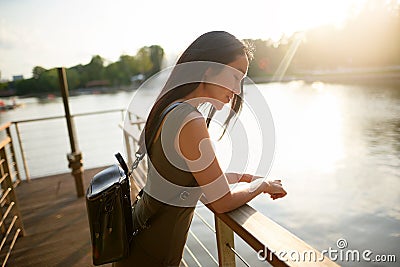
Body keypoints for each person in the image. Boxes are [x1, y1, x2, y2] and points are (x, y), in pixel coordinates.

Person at [114, 31, 287, 267]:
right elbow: (221, 202)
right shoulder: (190, 121)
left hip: (140, 244)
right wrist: (262, 185)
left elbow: (196, 183)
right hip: (153, 257)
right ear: (209, 69)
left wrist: (245, 178)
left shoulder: (169, 108)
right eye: (235, 76)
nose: (238, 89)